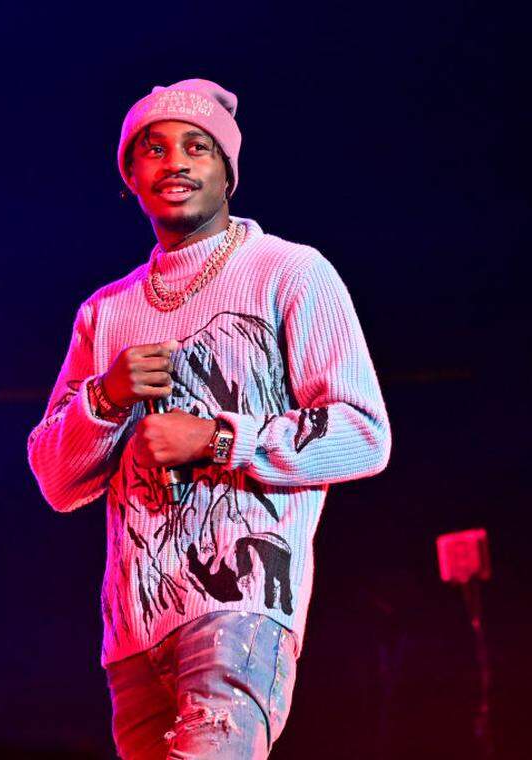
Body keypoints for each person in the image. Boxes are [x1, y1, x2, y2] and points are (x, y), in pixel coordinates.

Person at [27, 78, 391, 759]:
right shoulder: (105, 311)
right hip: (132, 636)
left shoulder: (289, 271)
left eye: (197, 147)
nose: (176, 163)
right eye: (154, 149)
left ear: (228, 169)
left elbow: (364, 434)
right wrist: (106, 398)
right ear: (131, 176)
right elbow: (55, 478)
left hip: (241, 608)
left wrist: (222, 438)